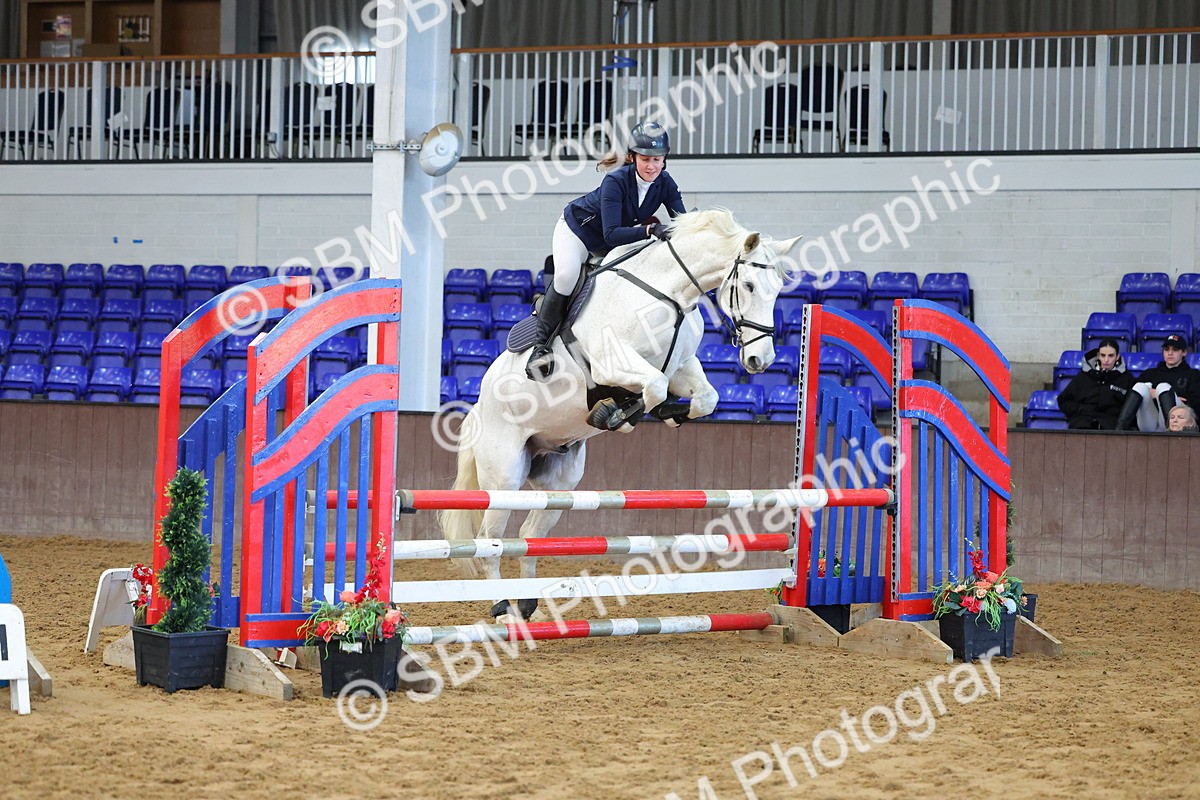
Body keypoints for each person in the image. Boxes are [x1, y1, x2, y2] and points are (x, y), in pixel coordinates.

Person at [525, 121, 687, 380]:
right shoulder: (616, 180)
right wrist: (648, 231)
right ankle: (540, 348)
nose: (651, 166)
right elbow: (611, 233)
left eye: (657, 159)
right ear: (633, 157)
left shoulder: (665, 183)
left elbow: (682, 222)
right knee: (566, 276)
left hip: (610, 241)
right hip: (578, 231)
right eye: (645, 159)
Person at [1115, 334, 1200, 431]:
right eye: (1167, 349)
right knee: (1140, 386)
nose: (1170, 353)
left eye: (1175, 350)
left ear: (1184, 352)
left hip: (1178, 424)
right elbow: (1132, 395)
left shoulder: (1193, 375)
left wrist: (1166, 394)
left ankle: (1171, 433)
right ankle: (1118, 432)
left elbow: (1195, 404)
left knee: (1163, 387)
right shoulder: (1150, 373)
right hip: (1150, 421)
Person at [1056, 339, 1137, 430]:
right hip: (1082, 425)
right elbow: (1063, 400)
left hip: (1112, 429)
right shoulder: (1083, 376)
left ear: (1117, 357)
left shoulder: (1127, 379)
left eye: (1111, 356)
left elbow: (1132, 409)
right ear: (1098, 355)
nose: (1106, 360)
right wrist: (1080, 410)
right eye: (1103, 355)